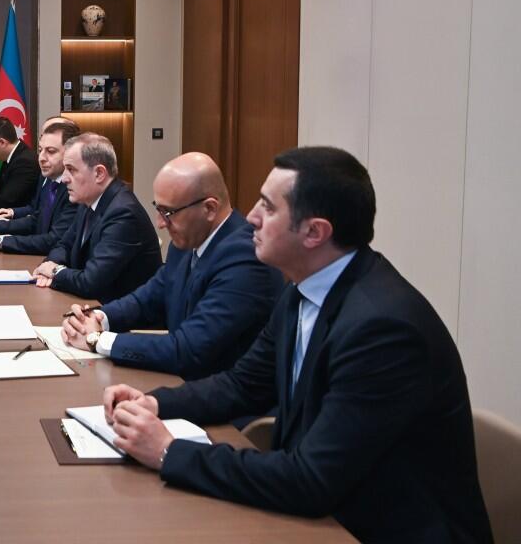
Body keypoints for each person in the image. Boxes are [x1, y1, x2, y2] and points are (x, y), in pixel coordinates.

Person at [102, 147, 492, 543]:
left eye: (269, 208)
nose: (251, 217)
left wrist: (169, 451)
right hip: (328, 516)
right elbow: (242, 385)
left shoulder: (382, 330)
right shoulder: (302, 291)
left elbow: (311, 480)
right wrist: (155, 403)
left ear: (314, 232)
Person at [60, 152, 282, 379]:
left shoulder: (245, 258)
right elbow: (146, 300)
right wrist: (97, 318)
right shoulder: (187, 240)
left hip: (215, 390)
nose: (160, 223)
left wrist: (98, 340)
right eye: (158, 209)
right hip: (181, 381)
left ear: (209, 208)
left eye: (168, 213)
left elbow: (189, 348)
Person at [32, 133, 161, 303]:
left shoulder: (123, 213)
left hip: (118, 313)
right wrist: (49, 266)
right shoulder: (88, 200)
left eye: (71, 170)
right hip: (90, 304)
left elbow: (90, 282)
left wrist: (55, 272)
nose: (64, 179)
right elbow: (64, 245)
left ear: (99, 173)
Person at [0, 120, 79, 254]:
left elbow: (54, 240)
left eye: (51, 151)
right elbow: (35, 220)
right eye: (40, 150)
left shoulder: (74, 190)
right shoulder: (51, 181)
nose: (41, 158)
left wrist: (0, 241)